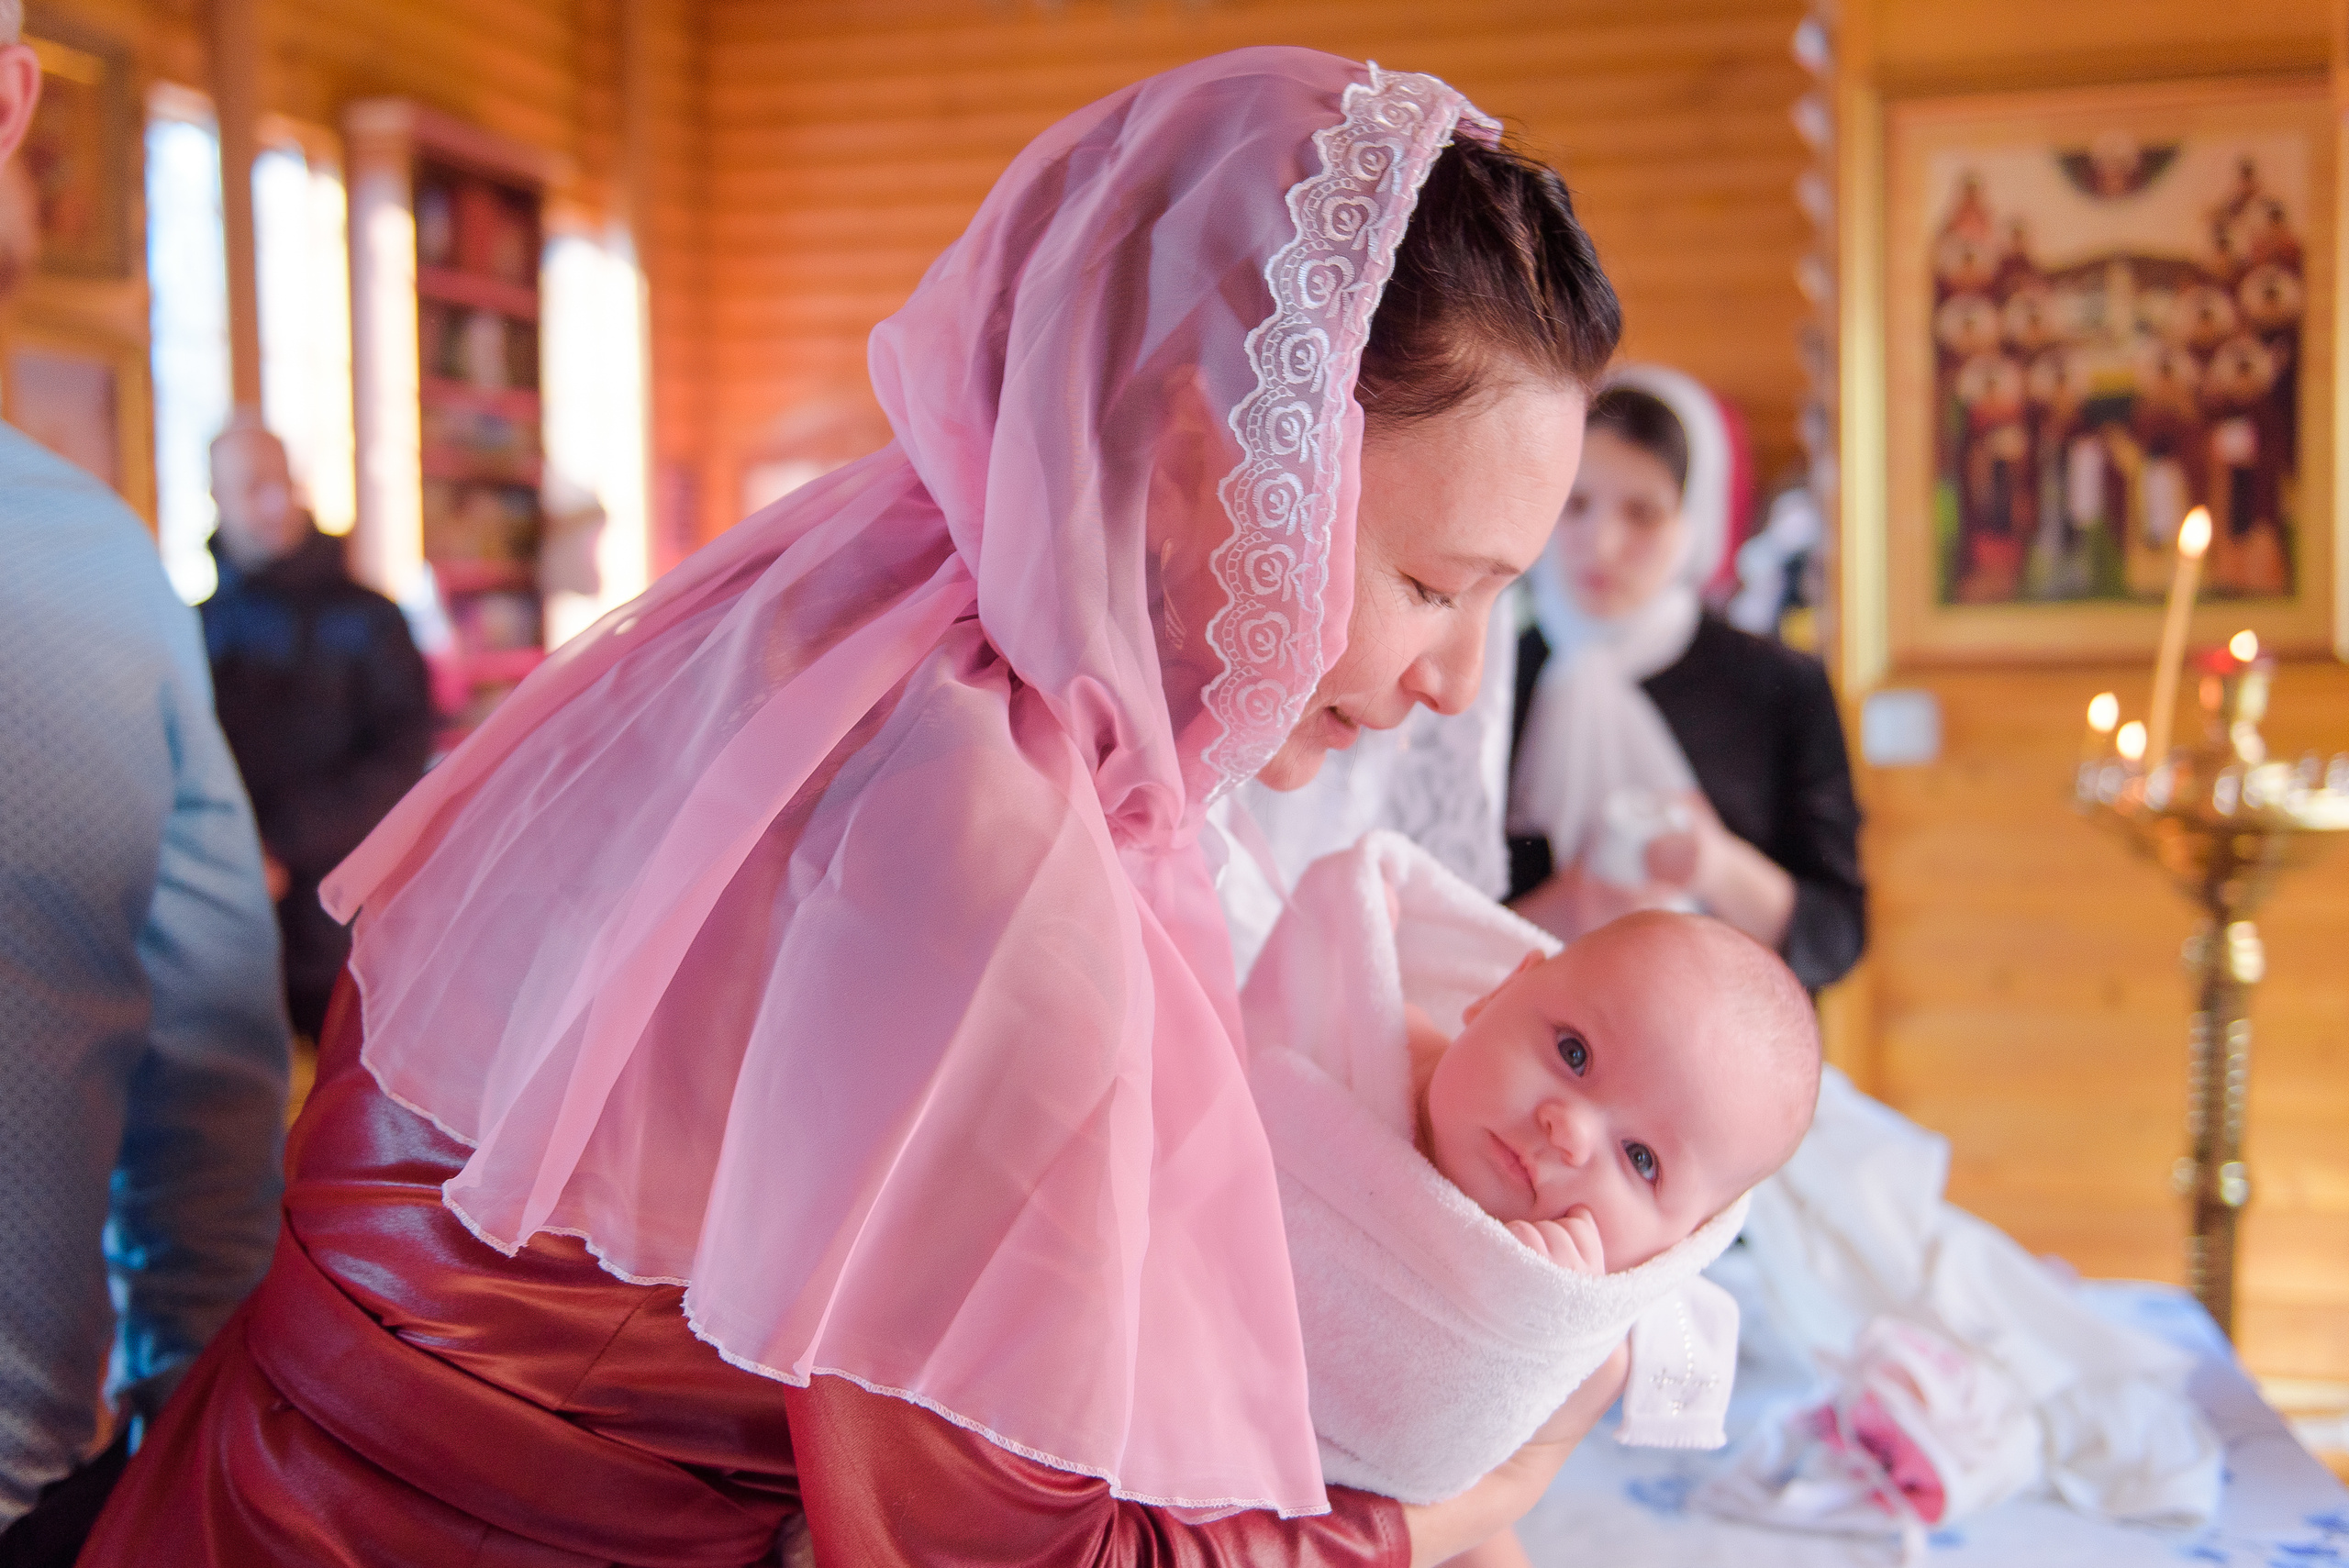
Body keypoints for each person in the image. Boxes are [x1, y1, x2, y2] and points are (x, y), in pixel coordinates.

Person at [83, 50, 1628, 1566]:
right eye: (1435, 586)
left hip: (223, 1483)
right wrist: (1464, 1503)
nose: (1454, 682)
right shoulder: (998, 862)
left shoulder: (809, 622)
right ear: (1189, 456)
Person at [0, 9, 291, 1560]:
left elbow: (213, 1068)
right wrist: (194, 1434)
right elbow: (210, 1078)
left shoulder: (105, 567)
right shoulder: (100, 567)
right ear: (13, 108)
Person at [1508, 368, 1866, 991]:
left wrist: (1717, 865)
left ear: (1693, 520)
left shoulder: (1780, 686)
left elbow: (1836, 937)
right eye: (1575, 504)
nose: (1602, 543)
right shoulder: (1487, 680)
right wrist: (1567, 907)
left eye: (1642, 513)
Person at [202, 421, 432, 1040]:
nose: (276, 502)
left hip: (346, 925)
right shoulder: (201, 628)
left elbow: (401, 758)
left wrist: (280, 842)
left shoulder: (371, 618)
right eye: (253, 487)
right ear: (218, 498)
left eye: (283, 482)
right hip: (232, 923)